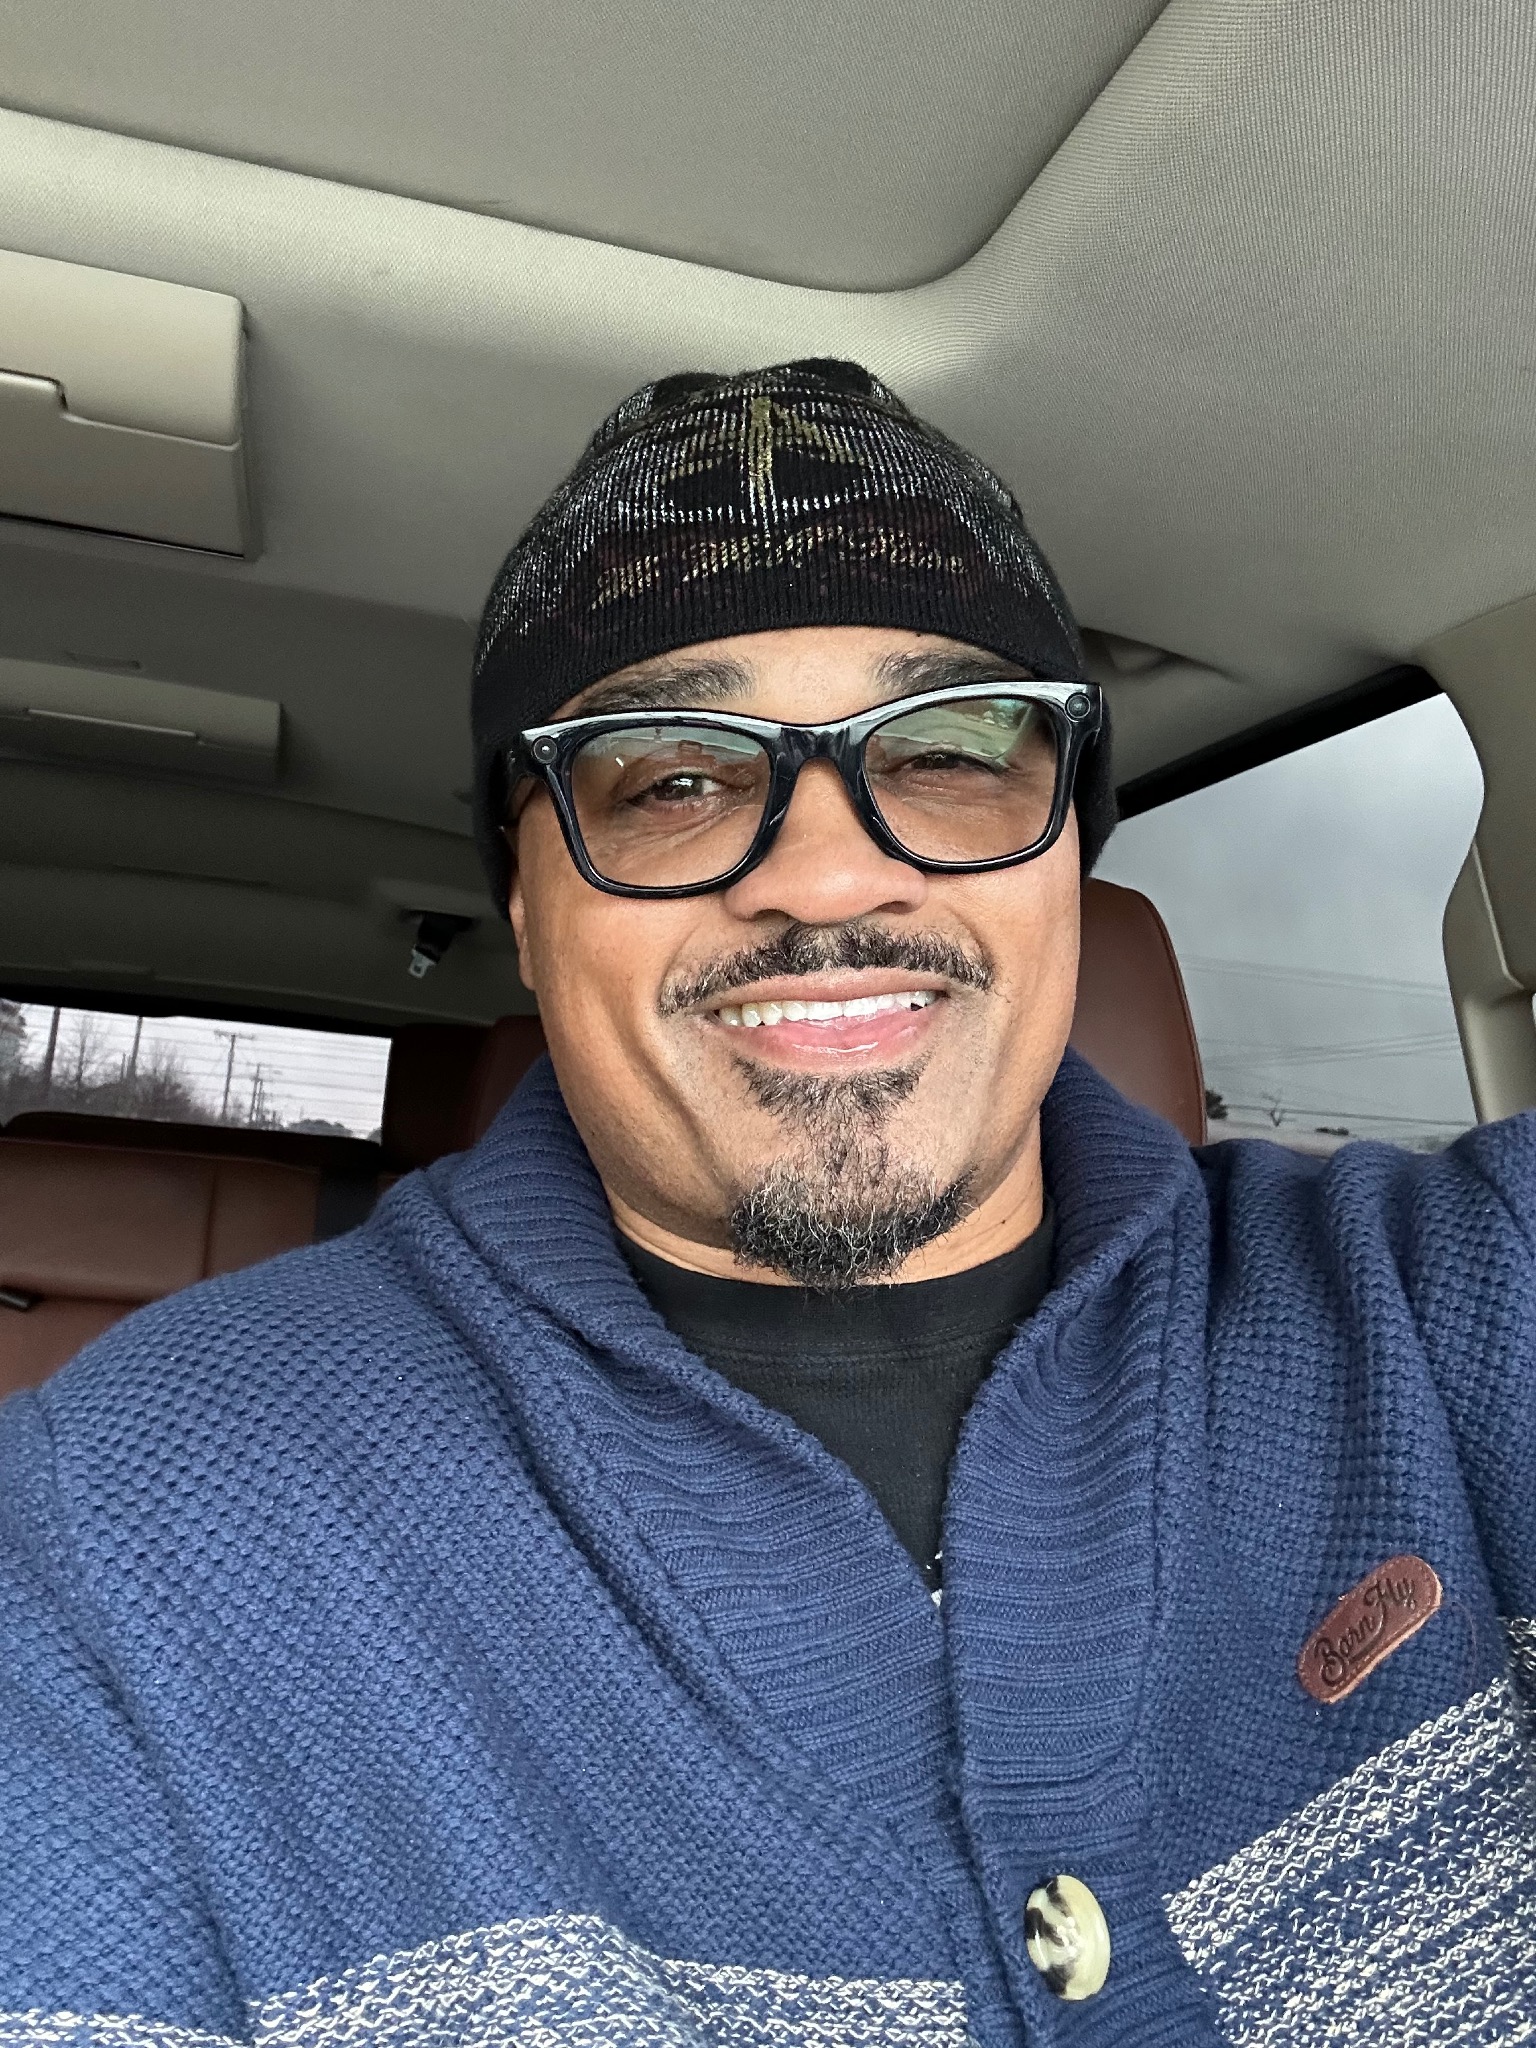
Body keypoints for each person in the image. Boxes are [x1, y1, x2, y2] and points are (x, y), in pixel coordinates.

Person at [0, 360, 1531, 2048]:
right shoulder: (117, 1530)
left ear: (1067, 849)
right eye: (672, 778)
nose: (825, 872)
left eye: (947, 752)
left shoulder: (1461, 1297)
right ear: (526, 902)